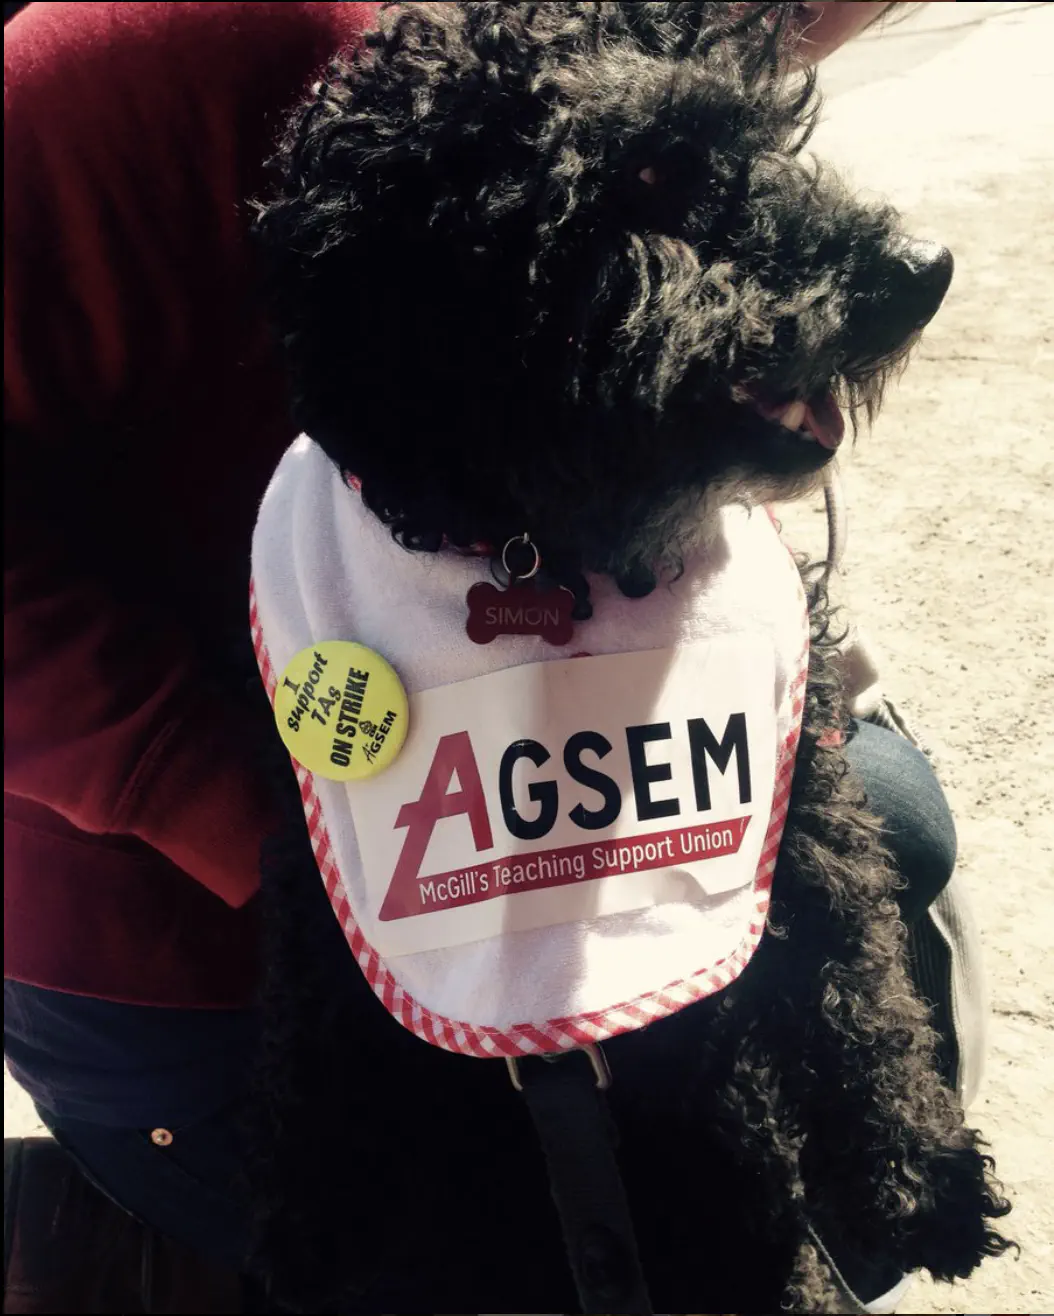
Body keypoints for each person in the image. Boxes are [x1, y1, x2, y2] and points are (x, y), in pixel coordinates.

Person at [4, 0, 967, 1302]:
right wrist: (278, 830)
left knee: (893, 821)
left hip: (536, 761)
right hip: (208, 951)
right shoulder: (142, 63)